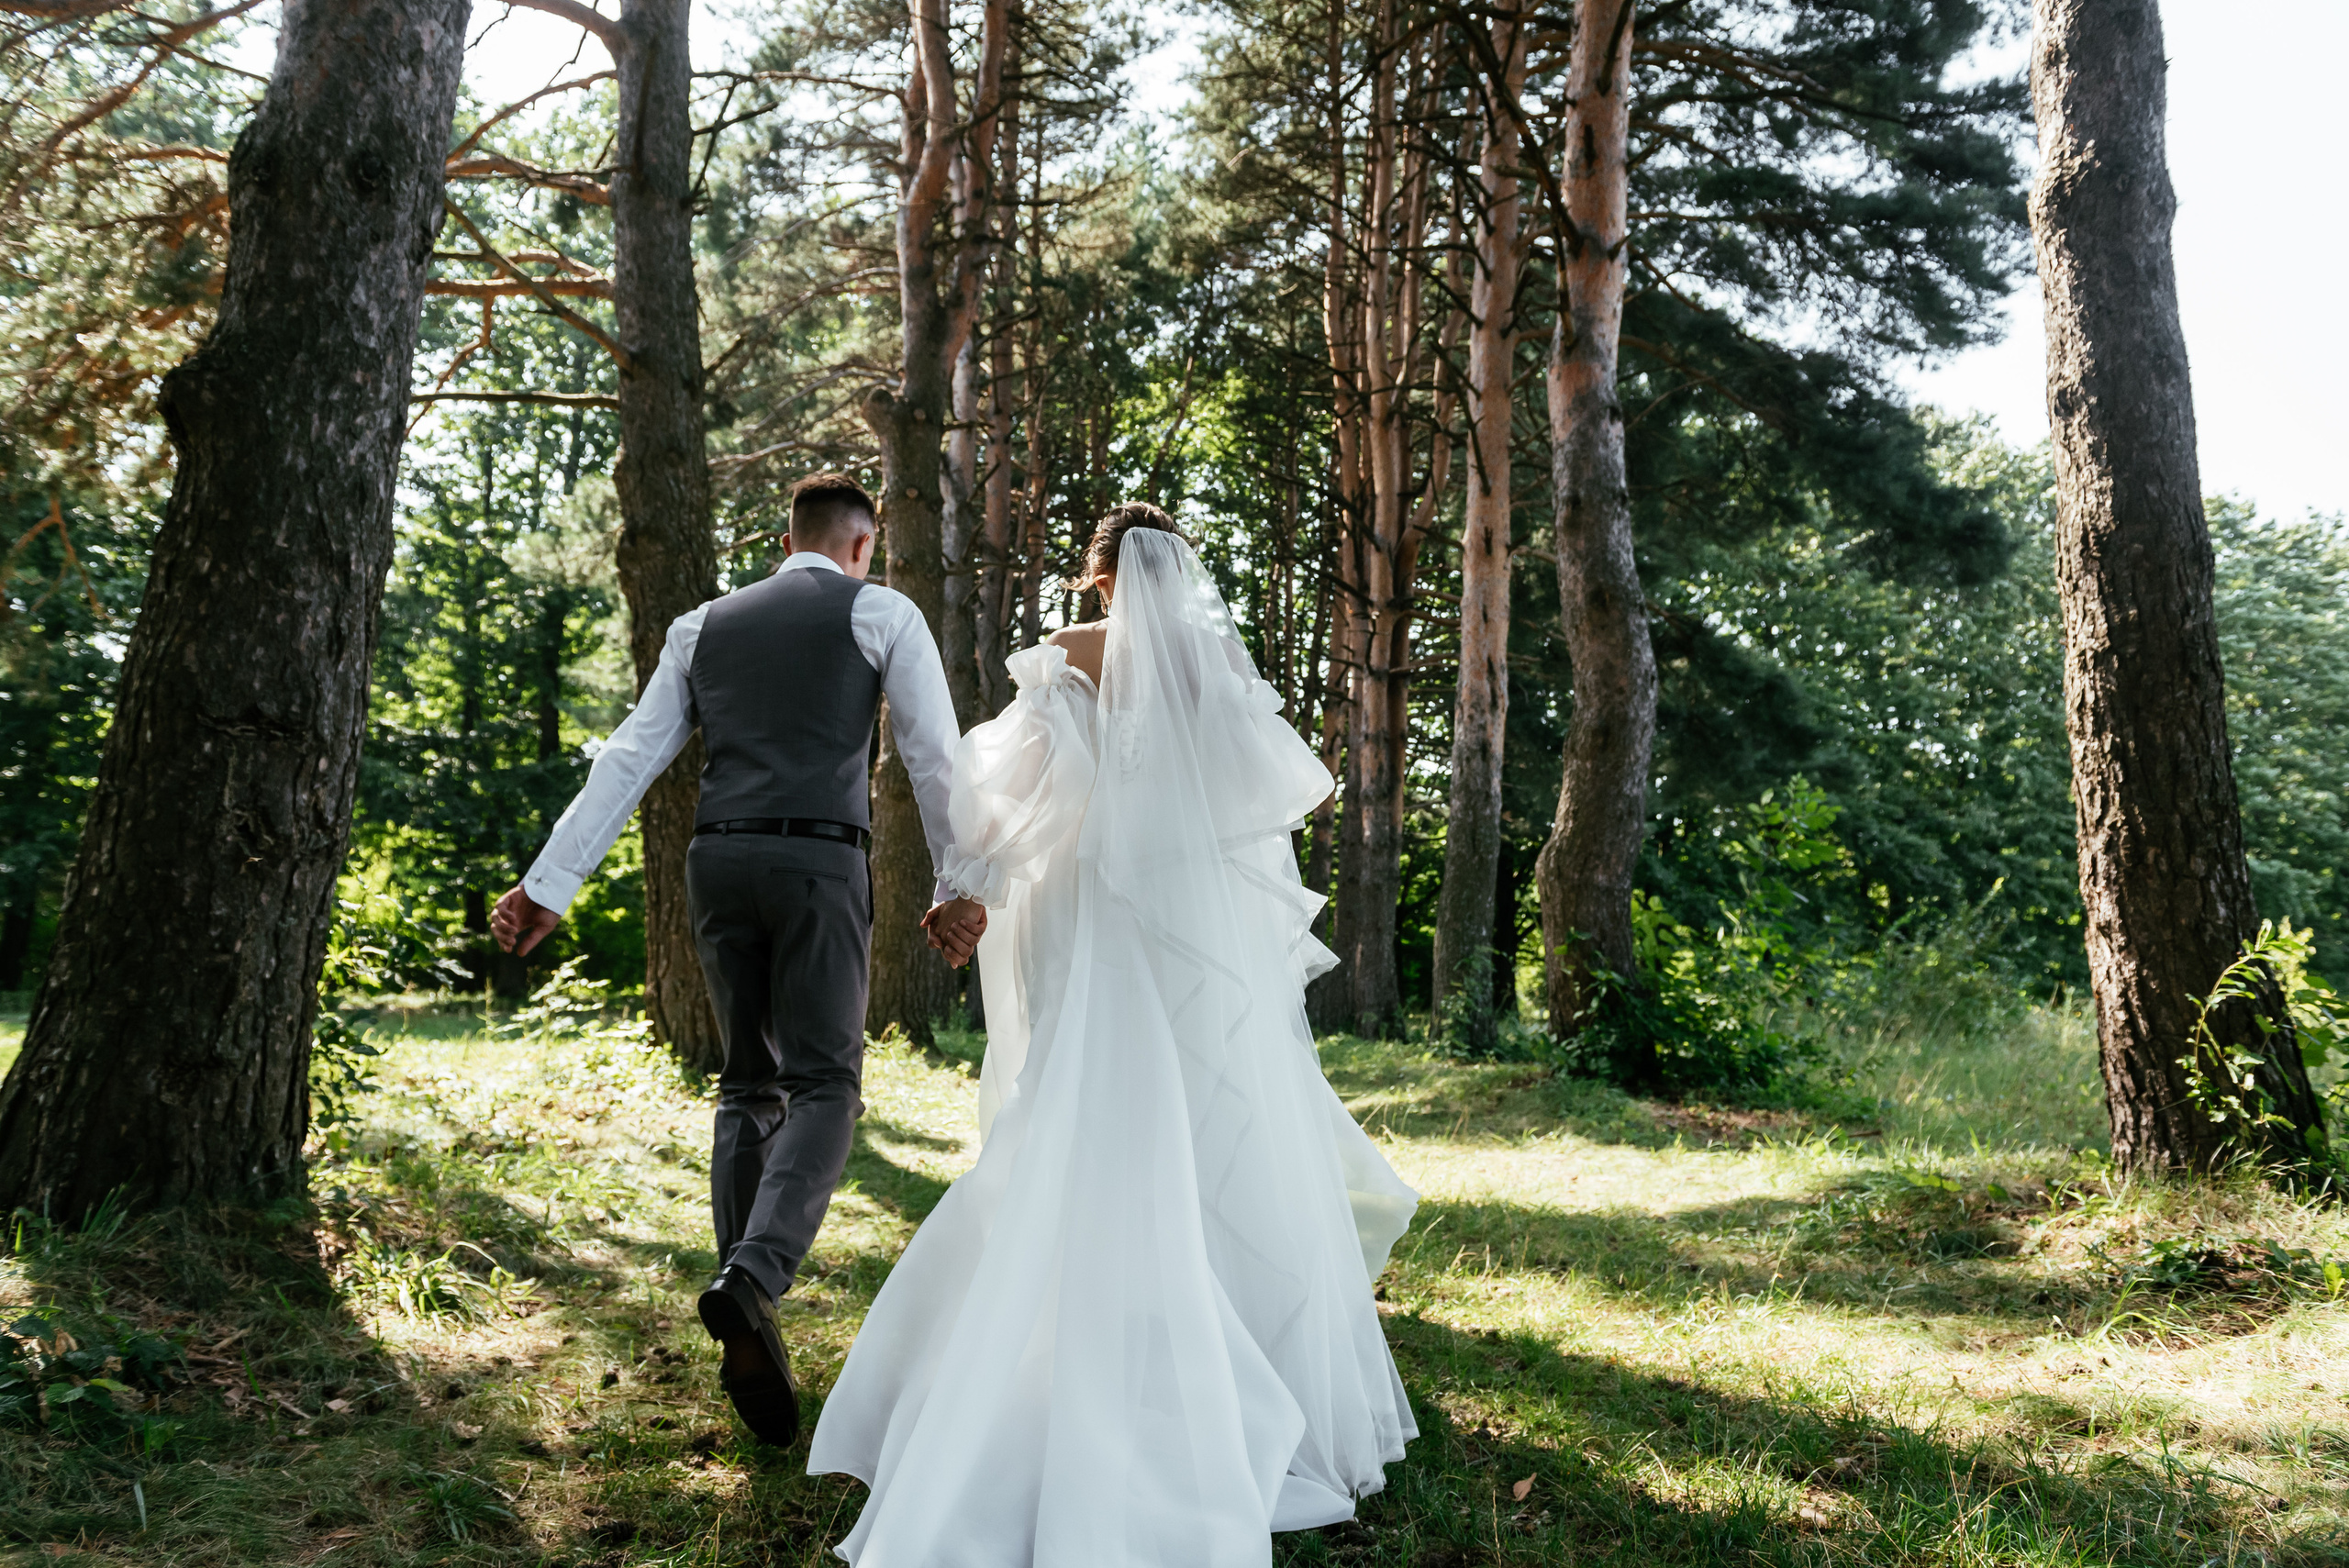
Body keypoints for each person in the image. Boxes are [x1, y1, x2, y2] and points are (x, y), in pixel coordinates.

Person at [808, 506, 1419, 1566]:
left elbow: (1020, 799)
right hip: (1189, 934)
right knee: (1201, 1132)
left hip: (1089, 922)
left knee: (1083, 1117)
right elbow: (1251, 810)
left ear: (1096, 579)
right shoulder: (1214, 672)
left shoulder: (1065, 664)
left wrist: (970, 888)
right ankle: (1236, 1376)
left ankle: (1077, 1361)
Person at [487, 472, 986, 1449]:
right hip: (817, 864)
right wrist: (957, 884)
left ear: (783, 539)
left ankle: (743, 1306)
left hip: (716, 861)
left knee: (745, 1083)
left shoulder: (701, 625)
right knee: (827, 1082)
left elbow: (629, 756)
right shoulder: (881, 611)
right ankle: (752, 1278)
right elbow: (935, 757)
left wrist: (550, 881)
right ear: (859, 545)